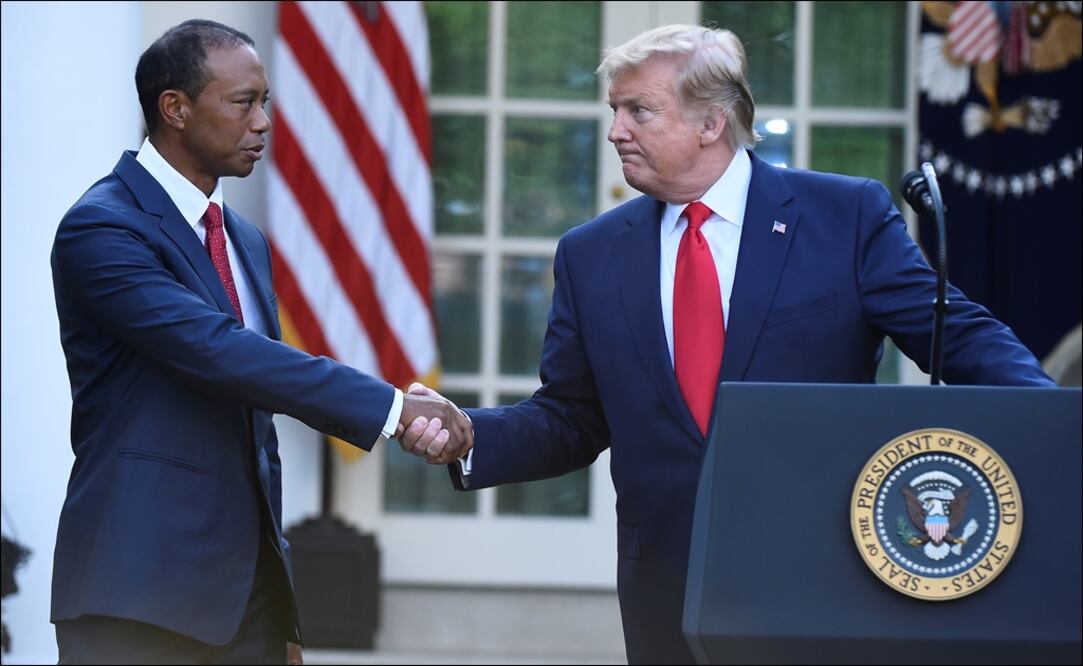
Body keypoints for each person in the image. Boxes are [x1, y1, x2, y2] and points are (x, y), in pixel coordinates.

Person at [399, 24, 1055, 665]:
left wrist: (1054, 425)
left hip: (821, 569)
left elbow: (959, 336)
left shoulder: (843, 216)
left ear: (711, 123)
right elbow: (571, 415)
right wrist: (471, 435)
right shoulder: (590, 254)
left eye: (638, 111)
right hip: (665, 584)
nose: (614, 131)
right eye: (613, 110)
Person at [49, 19, 470, 665]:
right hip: (136, 593)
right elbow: (218, 351)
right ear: (176, 109)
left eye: (265, 101)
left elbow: (254, 427)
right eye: (243, 101)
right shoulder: (103, 229)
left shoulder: (242, 239)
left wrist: (279, 612)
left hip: (246, 606)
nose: (264, 121)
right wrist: (391, 409)